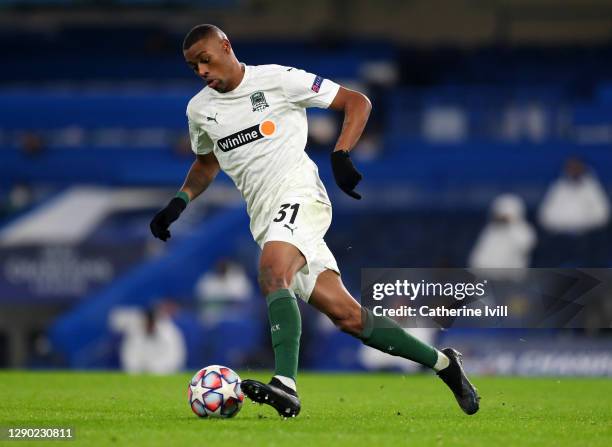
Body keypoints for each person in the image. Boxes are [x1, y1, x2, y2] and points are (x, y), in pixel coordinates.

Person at [150, 24, 479, 417]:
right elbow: (207, 162)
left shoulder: (279, 79)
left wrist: (341, 155)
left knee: (273, 272)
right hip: (265, 218)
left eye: (205, 59)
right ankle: (445, 365)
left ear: (226, 46)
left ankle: (285, 384)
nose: (201, 71)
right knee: (348, 317)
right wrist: (178, 202)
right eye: (193, 66)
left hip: (301, 196)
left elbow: (358, 101)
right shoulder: (199, 109)